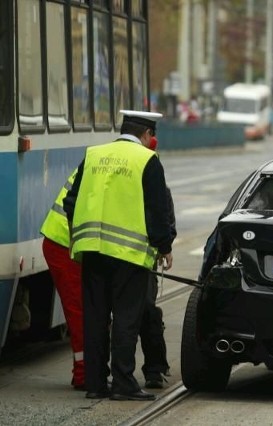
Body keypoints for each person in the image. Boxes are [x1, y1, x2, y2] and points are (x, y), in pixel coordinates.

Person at [64, 110, 174, 401]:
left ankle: (96, 383)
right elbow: (157, 210)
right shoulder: (147, 161)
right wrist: (164, 246)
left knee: (96, 318)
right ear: (147, 136)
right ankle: (124, 384)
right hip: (128, 254)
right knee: (127, 319)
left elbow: (70, 201)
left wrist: (81, 234)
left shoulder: (94, 154)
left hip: (92, 250)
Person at [40, 169, 85, 390]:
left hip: (71, 243)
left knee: (84, 309)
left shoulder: (102, 160)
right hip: (63, 243)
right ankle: (83, 373)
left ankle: (89, 370)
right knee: (80, 310)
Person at [139, 136, 175, 389]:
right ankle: (153, 370)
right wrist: (165, 247)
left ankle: (103, 376)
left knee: (116, 317)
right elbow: (164, 216)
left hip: (111, 256)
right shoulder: (151, 166)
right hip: (140, 259)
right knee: (146, 314)